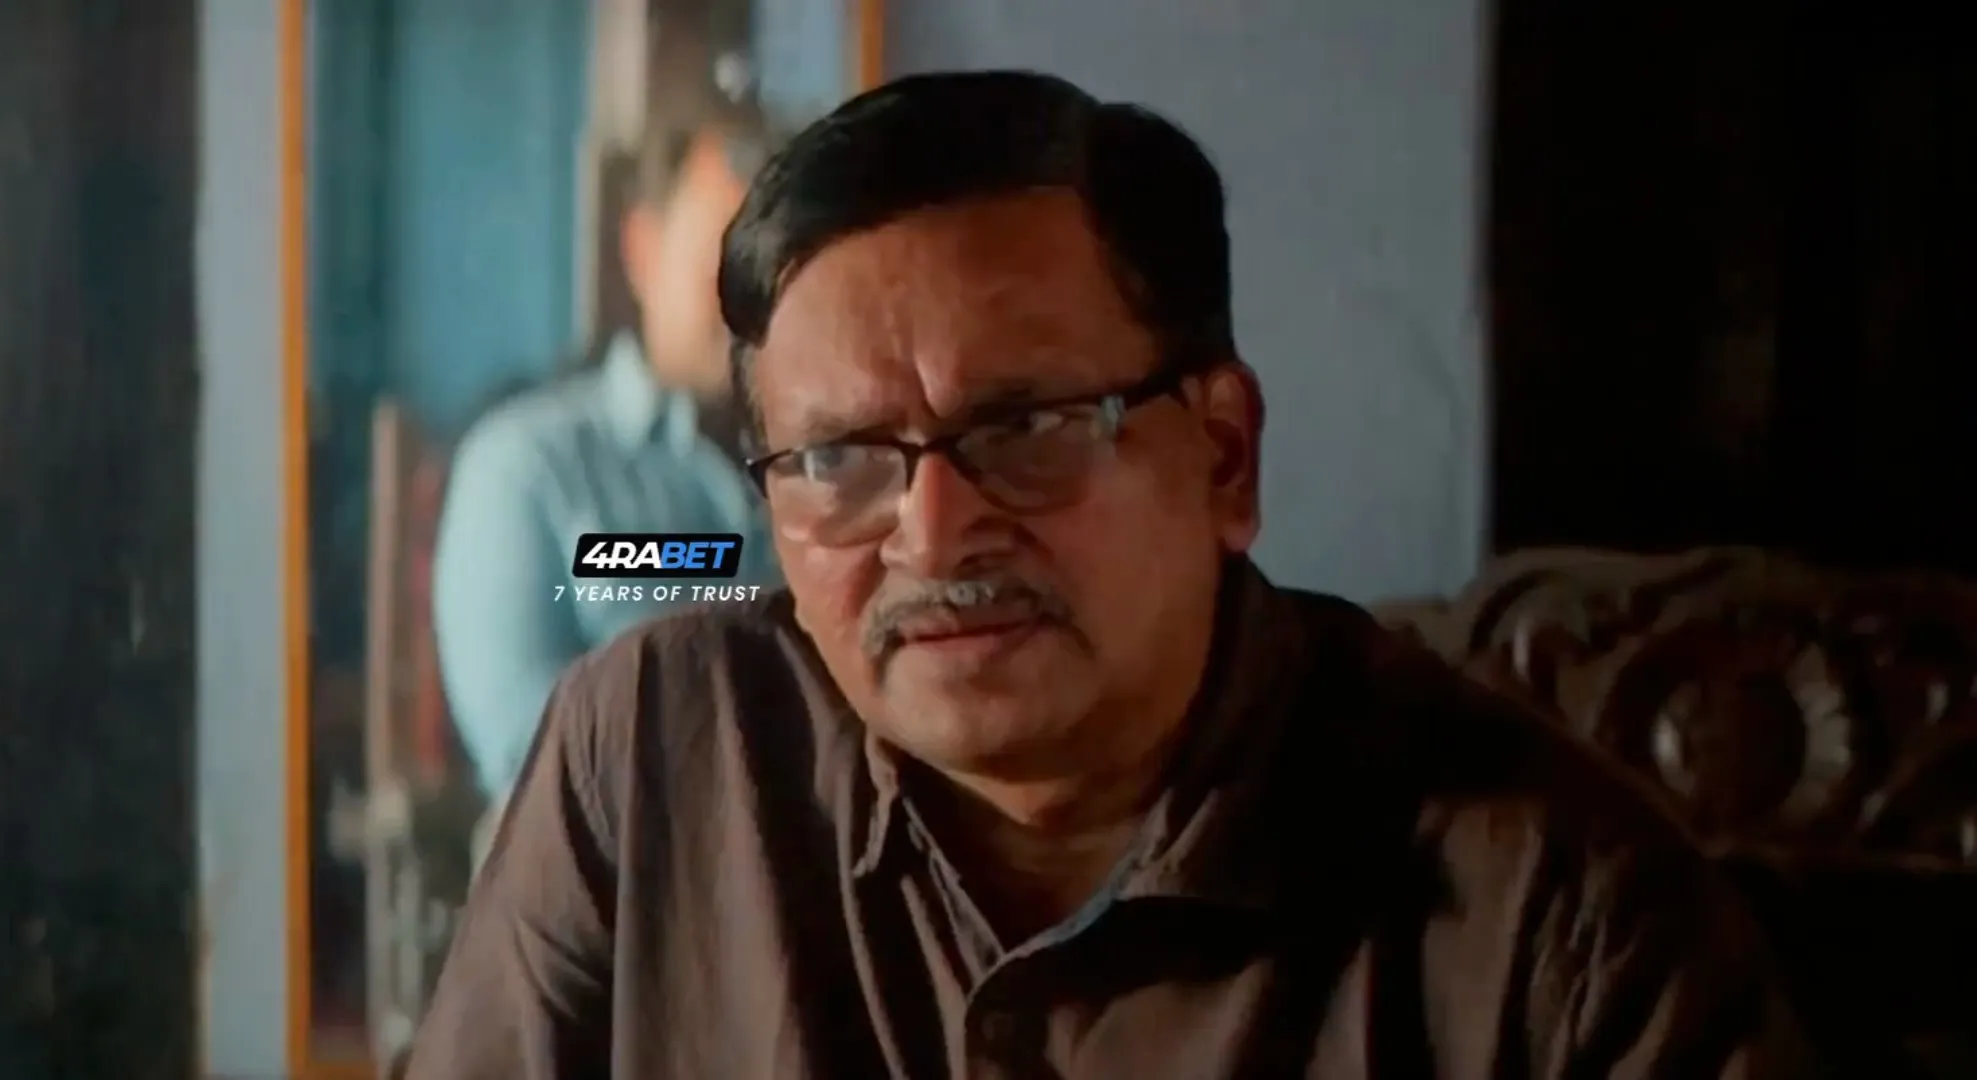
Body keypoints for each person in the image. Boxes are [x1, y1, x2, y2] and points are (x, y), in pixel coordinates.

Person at [406, 70, 1812, 1077]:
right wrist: (709, 569)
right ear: (637, 245)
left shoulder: (1558, 921)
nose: (934, 530)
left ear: (1224, 454)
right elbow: (587, 624)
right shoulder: (546, 475)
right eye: (837, 455)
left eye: (1026, 429)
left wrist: (733, 551)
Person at [432, 102, 784, 804]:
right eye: (721, 265)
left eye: (777, 272)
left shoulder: (843, 464)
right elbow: (525, 748)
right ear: (643, 251)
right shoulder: (528, 469)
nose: (753, 306)